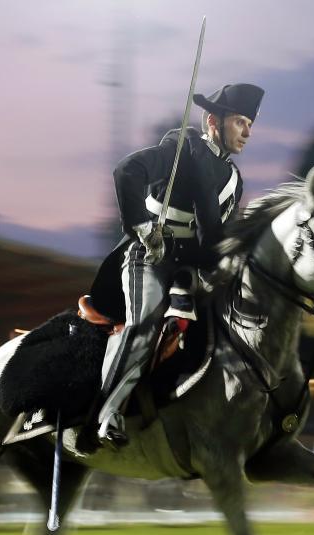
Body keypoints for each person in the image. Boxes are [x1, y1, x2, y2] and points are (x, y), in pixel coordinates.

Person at [90, 83, 265, 449]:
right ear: (213, 121)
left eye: (251, 124)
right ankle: (107, 412)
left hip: (191, 269)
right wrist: (141, 226)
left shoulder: (235, 181)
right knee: (144, 323)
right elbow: (127, 171)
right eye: (240, 122)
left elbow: (218, 241)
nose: (248, 132)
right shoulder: (180, 148)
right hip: (149, 254)